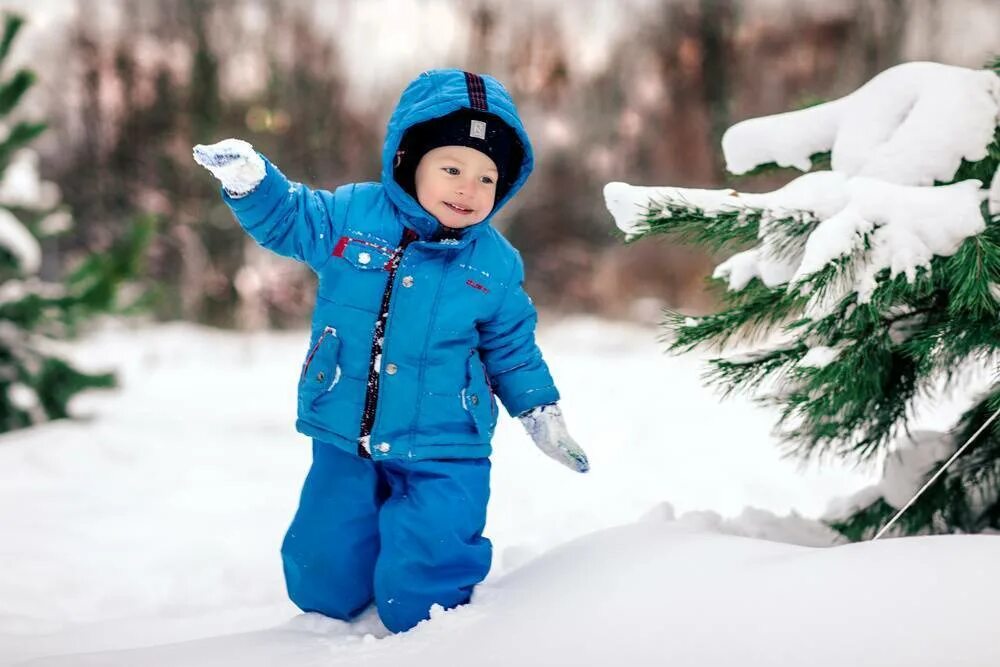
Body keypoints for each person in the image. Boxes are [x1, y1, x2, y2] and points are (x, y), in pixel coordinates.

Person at [192, 68, 588, 634]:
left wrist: (540, 412)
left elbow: (512, 346)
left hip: (447, 443)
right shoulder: (351, 217)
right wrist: (253, 184)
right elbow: (289, 219)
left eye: (486, 179)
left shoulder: (495, 263)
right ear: (408, 161)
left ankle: (434, 638)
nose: (467, 189)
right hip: (345, 430)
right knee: (322, 576)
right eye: (452, 168)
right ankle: (338, 599)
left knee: (425, 588)